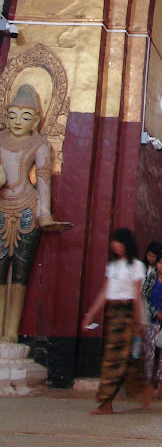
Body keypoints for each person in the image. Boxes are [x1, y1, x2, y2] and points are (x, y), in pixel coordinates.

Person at [0, 84, 71, 342]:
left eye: (26, 116)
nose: (18, 121)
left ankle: (11, 332)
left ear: (38, 120)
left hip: (28, 210)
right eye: (13, 115)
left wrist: (45, 216)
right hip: (1, 207)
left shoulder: (40, 144)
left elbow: (44, 181)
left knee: (20, 272)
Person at [81, 227, 151, 415]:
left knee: (114, 359)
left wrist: (139, 321)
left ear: (126, 244)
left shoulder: (136, 266)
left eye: (118, 241)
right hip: (113, 314)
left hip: (128, 314)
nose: (114, 245)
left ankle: (106, 402)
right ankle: (142, 388)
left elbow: (138, 295)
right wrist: (90, 314)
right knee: (126, 359)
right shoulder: (112, 266)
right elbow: (104, 292)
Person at [142, 251, 162, 399]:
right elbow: (145, 298)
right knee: (149, 354)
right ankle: (149, 386)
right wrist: (156, 313)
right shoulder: (150, 279)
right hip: (152, 321)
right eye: (160, 263)